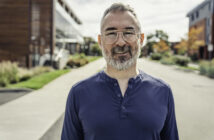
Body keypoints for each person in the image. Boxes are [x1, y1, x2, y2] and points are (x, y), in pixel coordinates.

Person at [61, 2, 179, 140]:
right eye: (111, 33)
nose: (121, 42)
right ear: (100, 41)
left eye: (128, 33)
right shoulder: (78, 93)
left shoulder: (163, 91)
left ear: (140, 39)